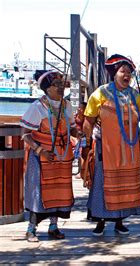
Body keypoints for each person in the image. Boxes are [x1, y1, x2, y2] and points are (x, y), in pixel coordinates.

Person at [82, 54, 140, 236]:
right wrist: (87, 143)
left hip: (128, 148)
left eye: (129, 72)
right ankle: (100, 222)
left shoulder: (135, 95)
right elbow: (88, 120)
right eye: (123, 71)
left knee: (123, 183)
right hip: (105, 148)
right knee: (102, 183)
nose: (126, 75)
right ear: (115, 73)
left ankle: (120, 221)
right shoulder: (100, 93)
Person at [20, 70, 81, 242]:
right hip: (42, 157)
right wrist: (41, 151)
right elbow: (25, 134)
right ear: (47, 89)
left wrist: (78, 133)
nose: (61, 88)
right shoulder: (37, 107)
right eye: (56, 85)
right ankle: (31, 230)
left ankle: (53, 227)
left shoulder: (66, 106)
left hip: (61, 156)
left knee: (59, 191)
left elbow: (71, 126)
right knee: (38, 192)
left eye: (62, 84)